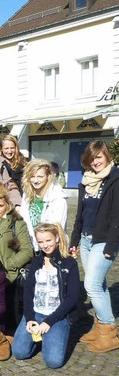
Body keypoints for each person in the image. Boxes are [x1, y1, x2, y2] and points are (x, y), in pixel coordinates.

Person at [70, 140, 119, 353]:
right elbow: (80, 213)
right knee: (100, 285)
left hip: (104, 240)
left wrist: (112, 244)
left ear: (107, 156)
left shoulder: (115, 179)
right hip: (86, 239)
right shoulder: (86, 181)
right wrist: (74, 240)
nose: (95, 161)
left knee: (91, 285)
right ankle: (99, 328)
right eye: (91, 158)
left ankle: (109, 331)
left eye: (99, 156)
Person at [11, 223, 79, 369]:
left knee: (53, 362)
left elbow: (72, 298)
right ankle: (38, 340)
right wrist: (29, 318)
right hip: (36, 313)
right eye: (40, 242)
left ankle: (51, 337)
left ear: (57, 238)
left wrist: (49, 322)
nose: (45, 245)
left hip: (57, 316)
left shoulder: (69, 263)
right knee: (19, 352)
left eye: (48, 240)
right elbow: (28, 292)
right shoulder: (36, 261)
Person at [19, 159, 68, 252]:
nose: (36, 180)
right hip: (30, 246)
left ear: (48, 176)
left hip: (50, 248)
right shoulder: (27, 195)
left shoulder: (58, 199)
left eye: (40, 177)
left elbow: (57, 229)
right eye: (32, 177)